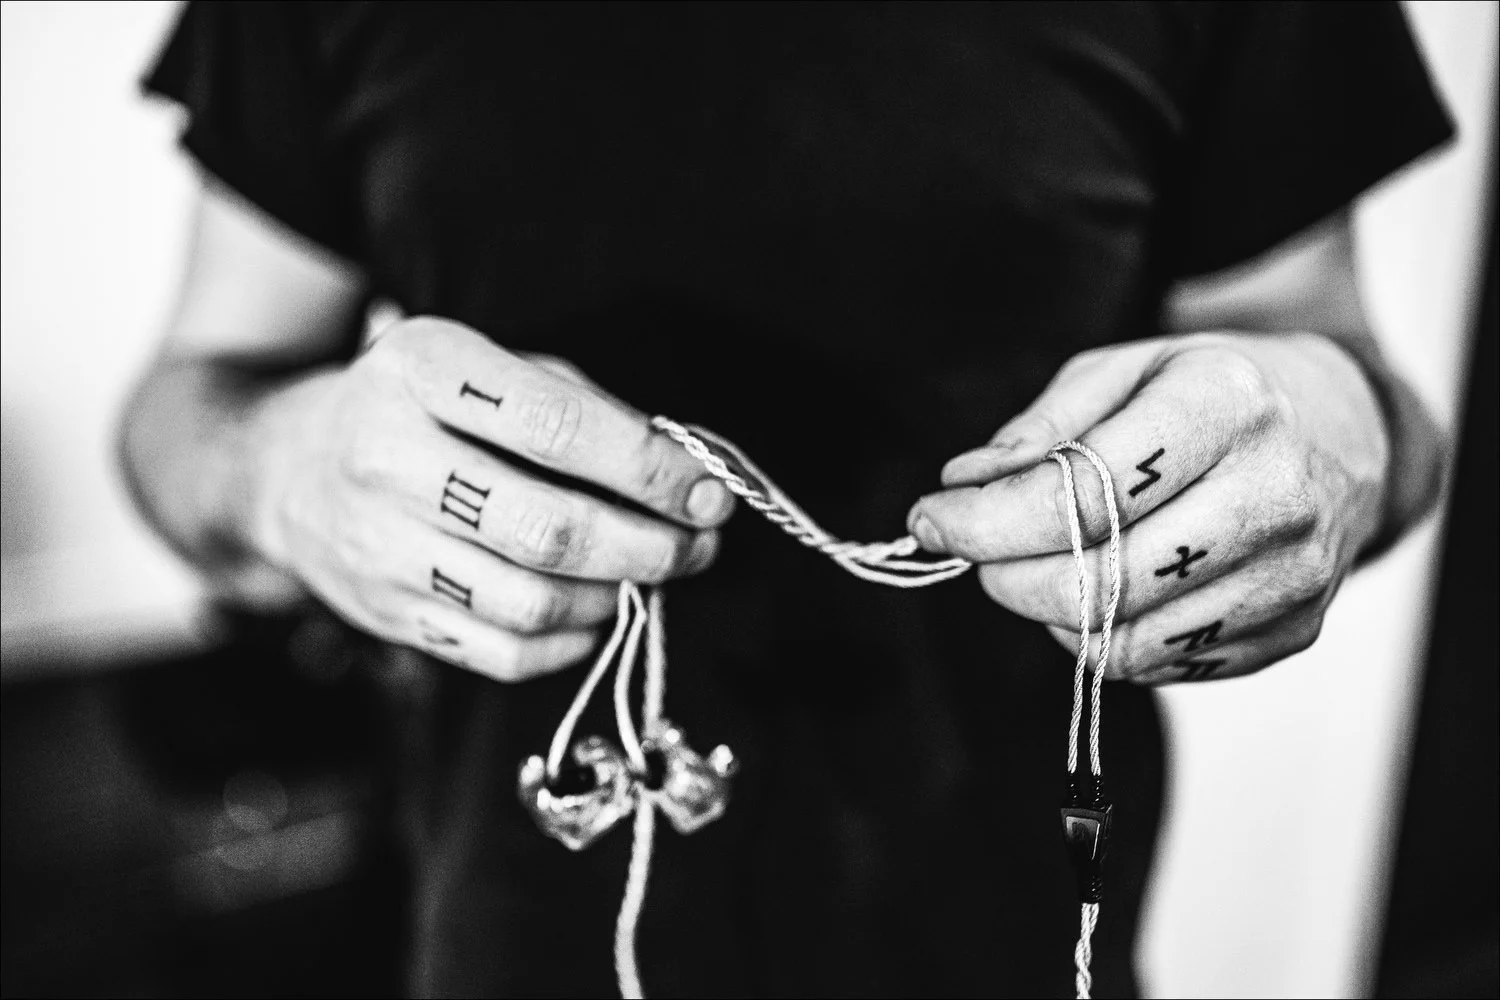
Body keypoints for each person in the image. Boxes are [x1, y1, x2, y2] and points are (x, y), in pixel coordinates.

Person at [120, 4, 1452, 996]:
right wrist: (282, 472)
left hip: (1010, 939)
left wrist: (1345, 435)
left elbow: (1339, 366)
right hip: (502, 933)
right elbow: (189, 406)